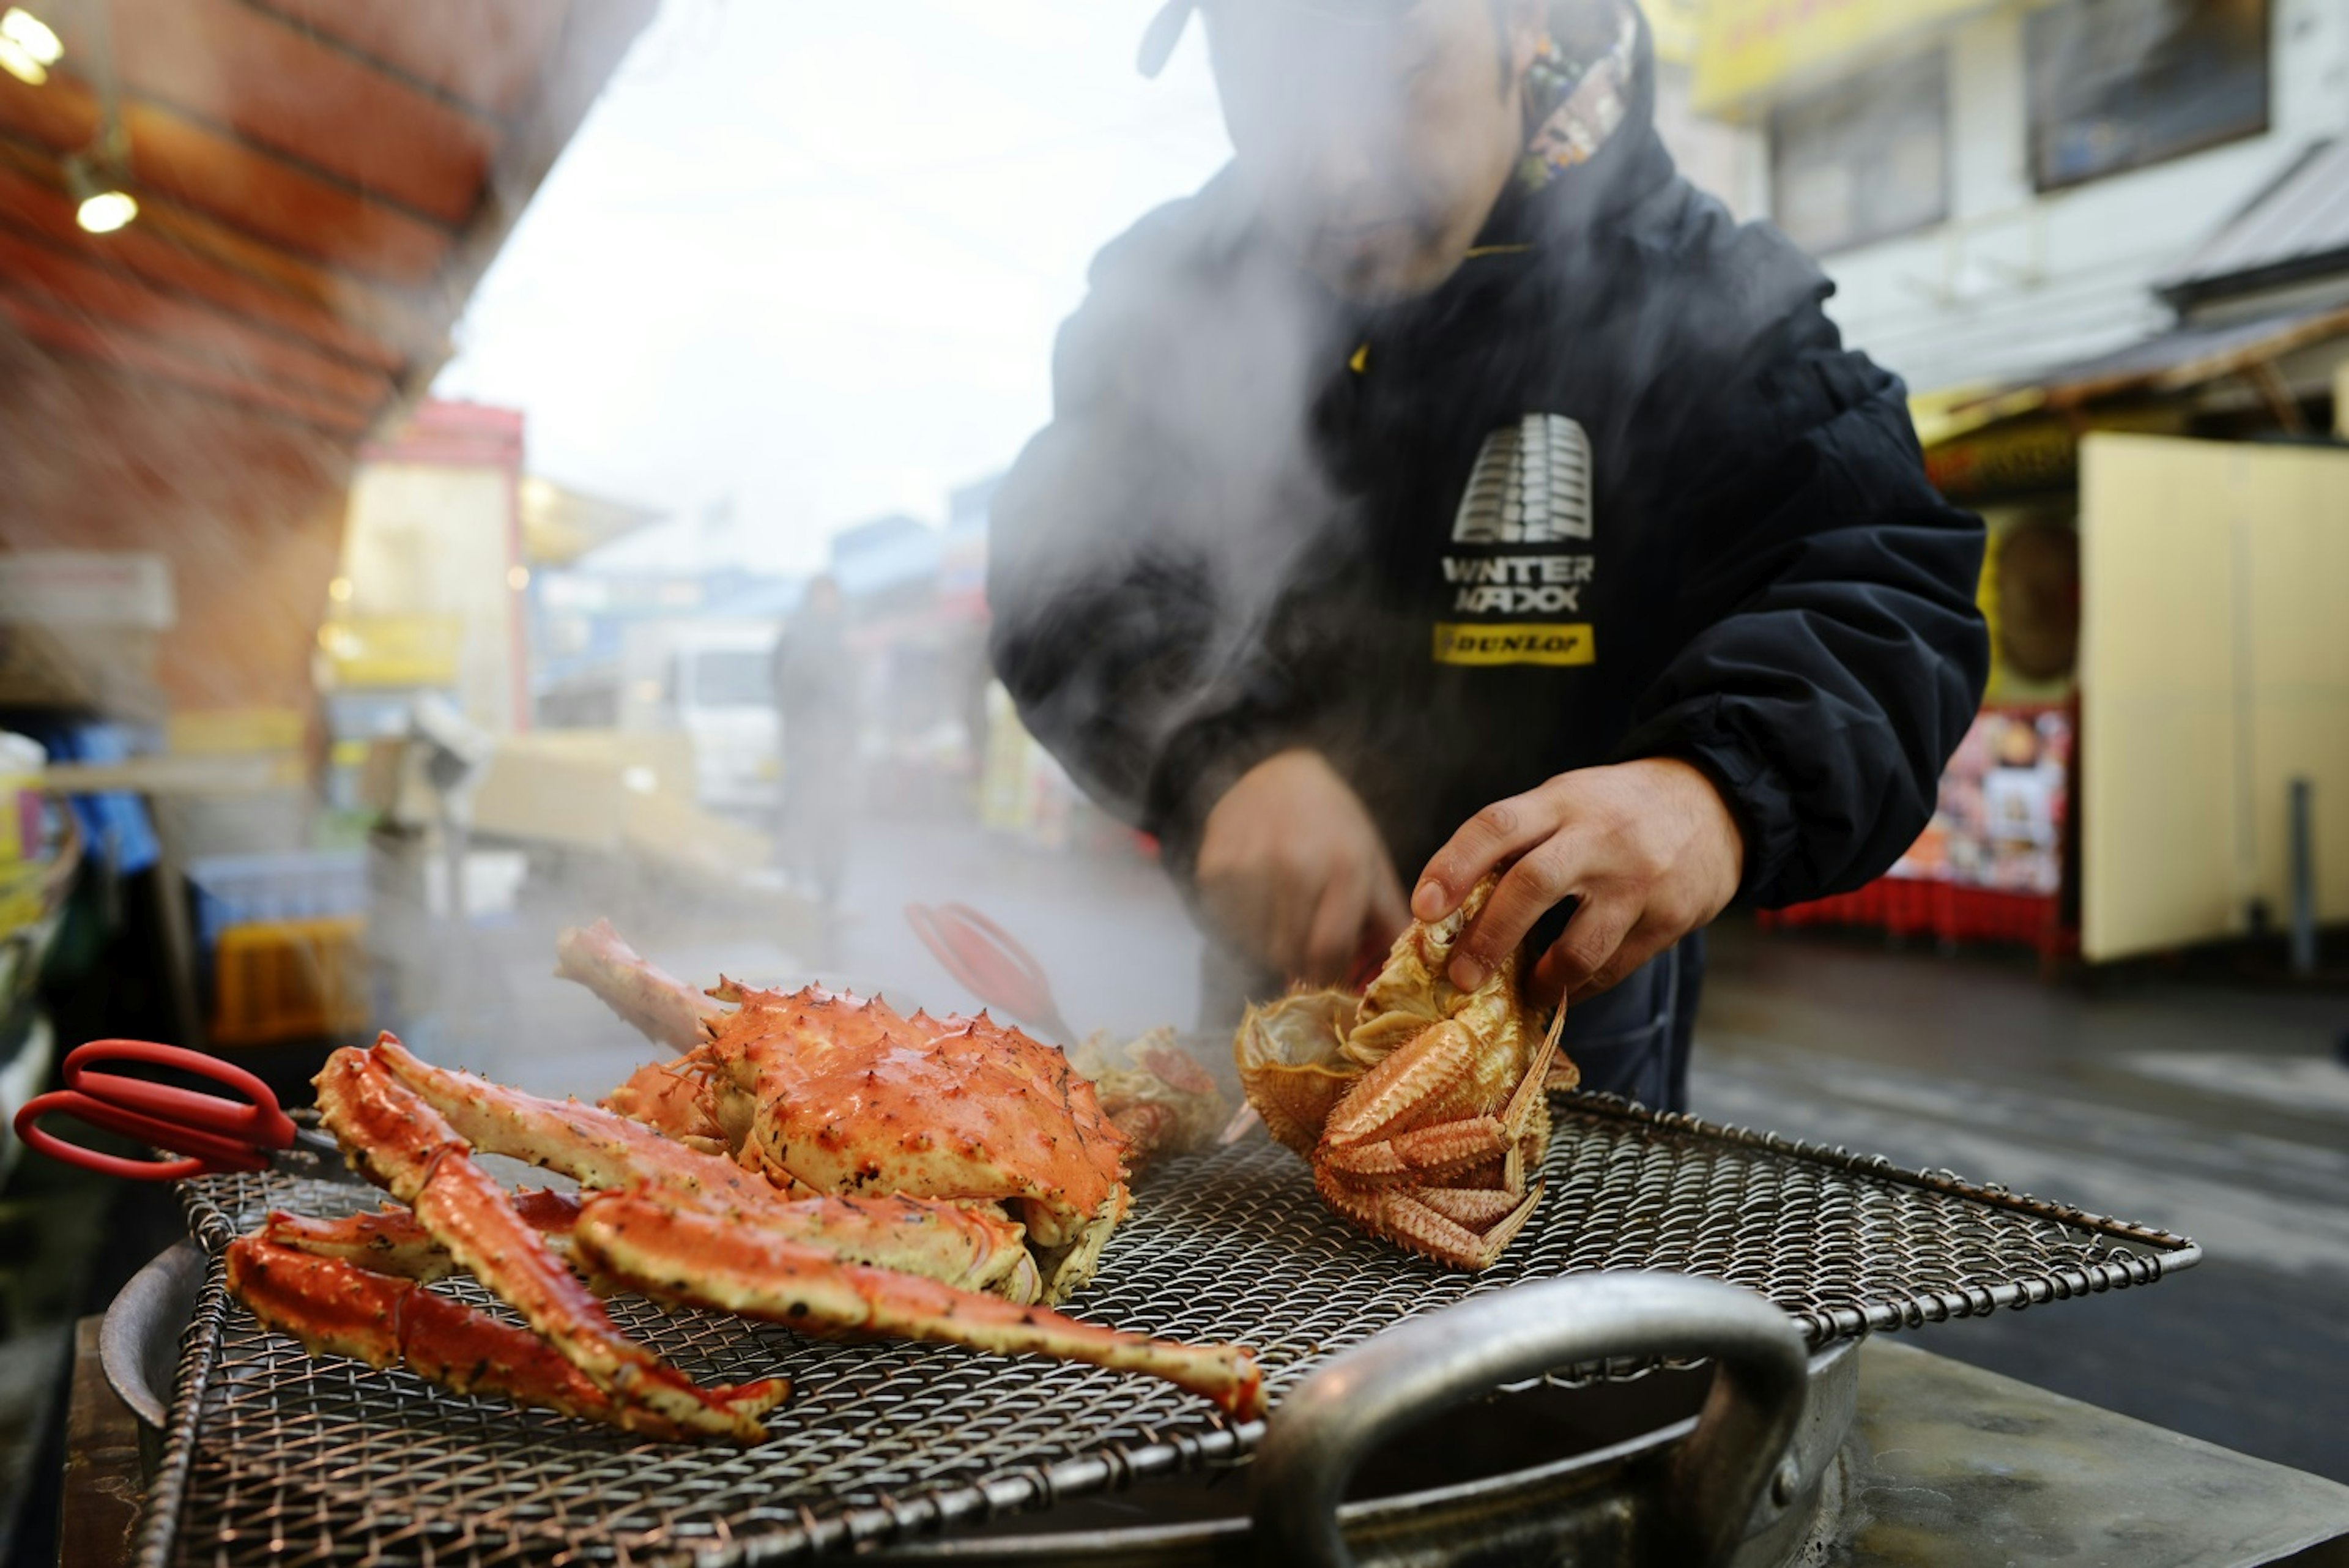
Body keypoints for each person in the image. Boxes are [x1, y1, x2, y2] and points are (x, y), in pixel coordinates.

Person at [986, 0, 1989, 1109]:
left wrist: (1711, 791)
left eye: (1400, 74)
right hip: (1266, 1034)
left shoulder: (1693, 296)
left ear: (1526, 23)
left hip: (1576, 1052)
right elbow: (1064, 564)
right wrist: (1219, 755)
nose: (1338, 166)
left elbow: (1882, 575)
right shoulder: (1184, 294)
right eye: (1274, 101)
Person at [771, 574, 858, 908]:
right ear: (811, 600)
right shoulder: (796, 636)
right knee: (800, 812)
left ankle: (829, 891)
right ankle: (793, 884)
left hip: (838, 747)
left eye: (833, 597)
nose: (829, 603)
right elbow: (785, 687)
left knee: (835, 819)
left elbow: (852, 695)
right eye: (823, 597)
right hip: (805, 743)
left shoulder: (843, 637)